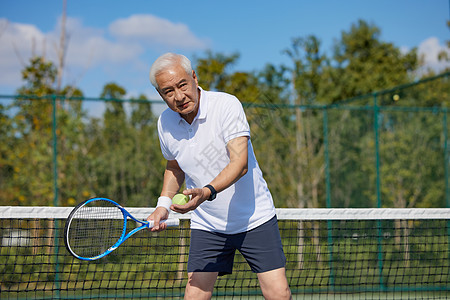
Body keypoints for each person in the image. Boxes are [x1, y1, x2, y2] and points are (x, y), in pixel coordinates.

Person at [146, 53, 292, 300]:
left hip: (253, 218)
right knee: (194, 296)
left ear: (194, 78)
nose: (179, 96)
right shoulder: (165, 123)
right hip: (208, 224)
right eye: (168, 91)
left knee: (278, 294)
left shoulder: (226, 105)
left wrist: (206, 192)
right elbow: (174, 167)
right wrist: (163, 206)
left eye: (182, 85)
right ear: (161, 95)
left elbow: (240, 164)